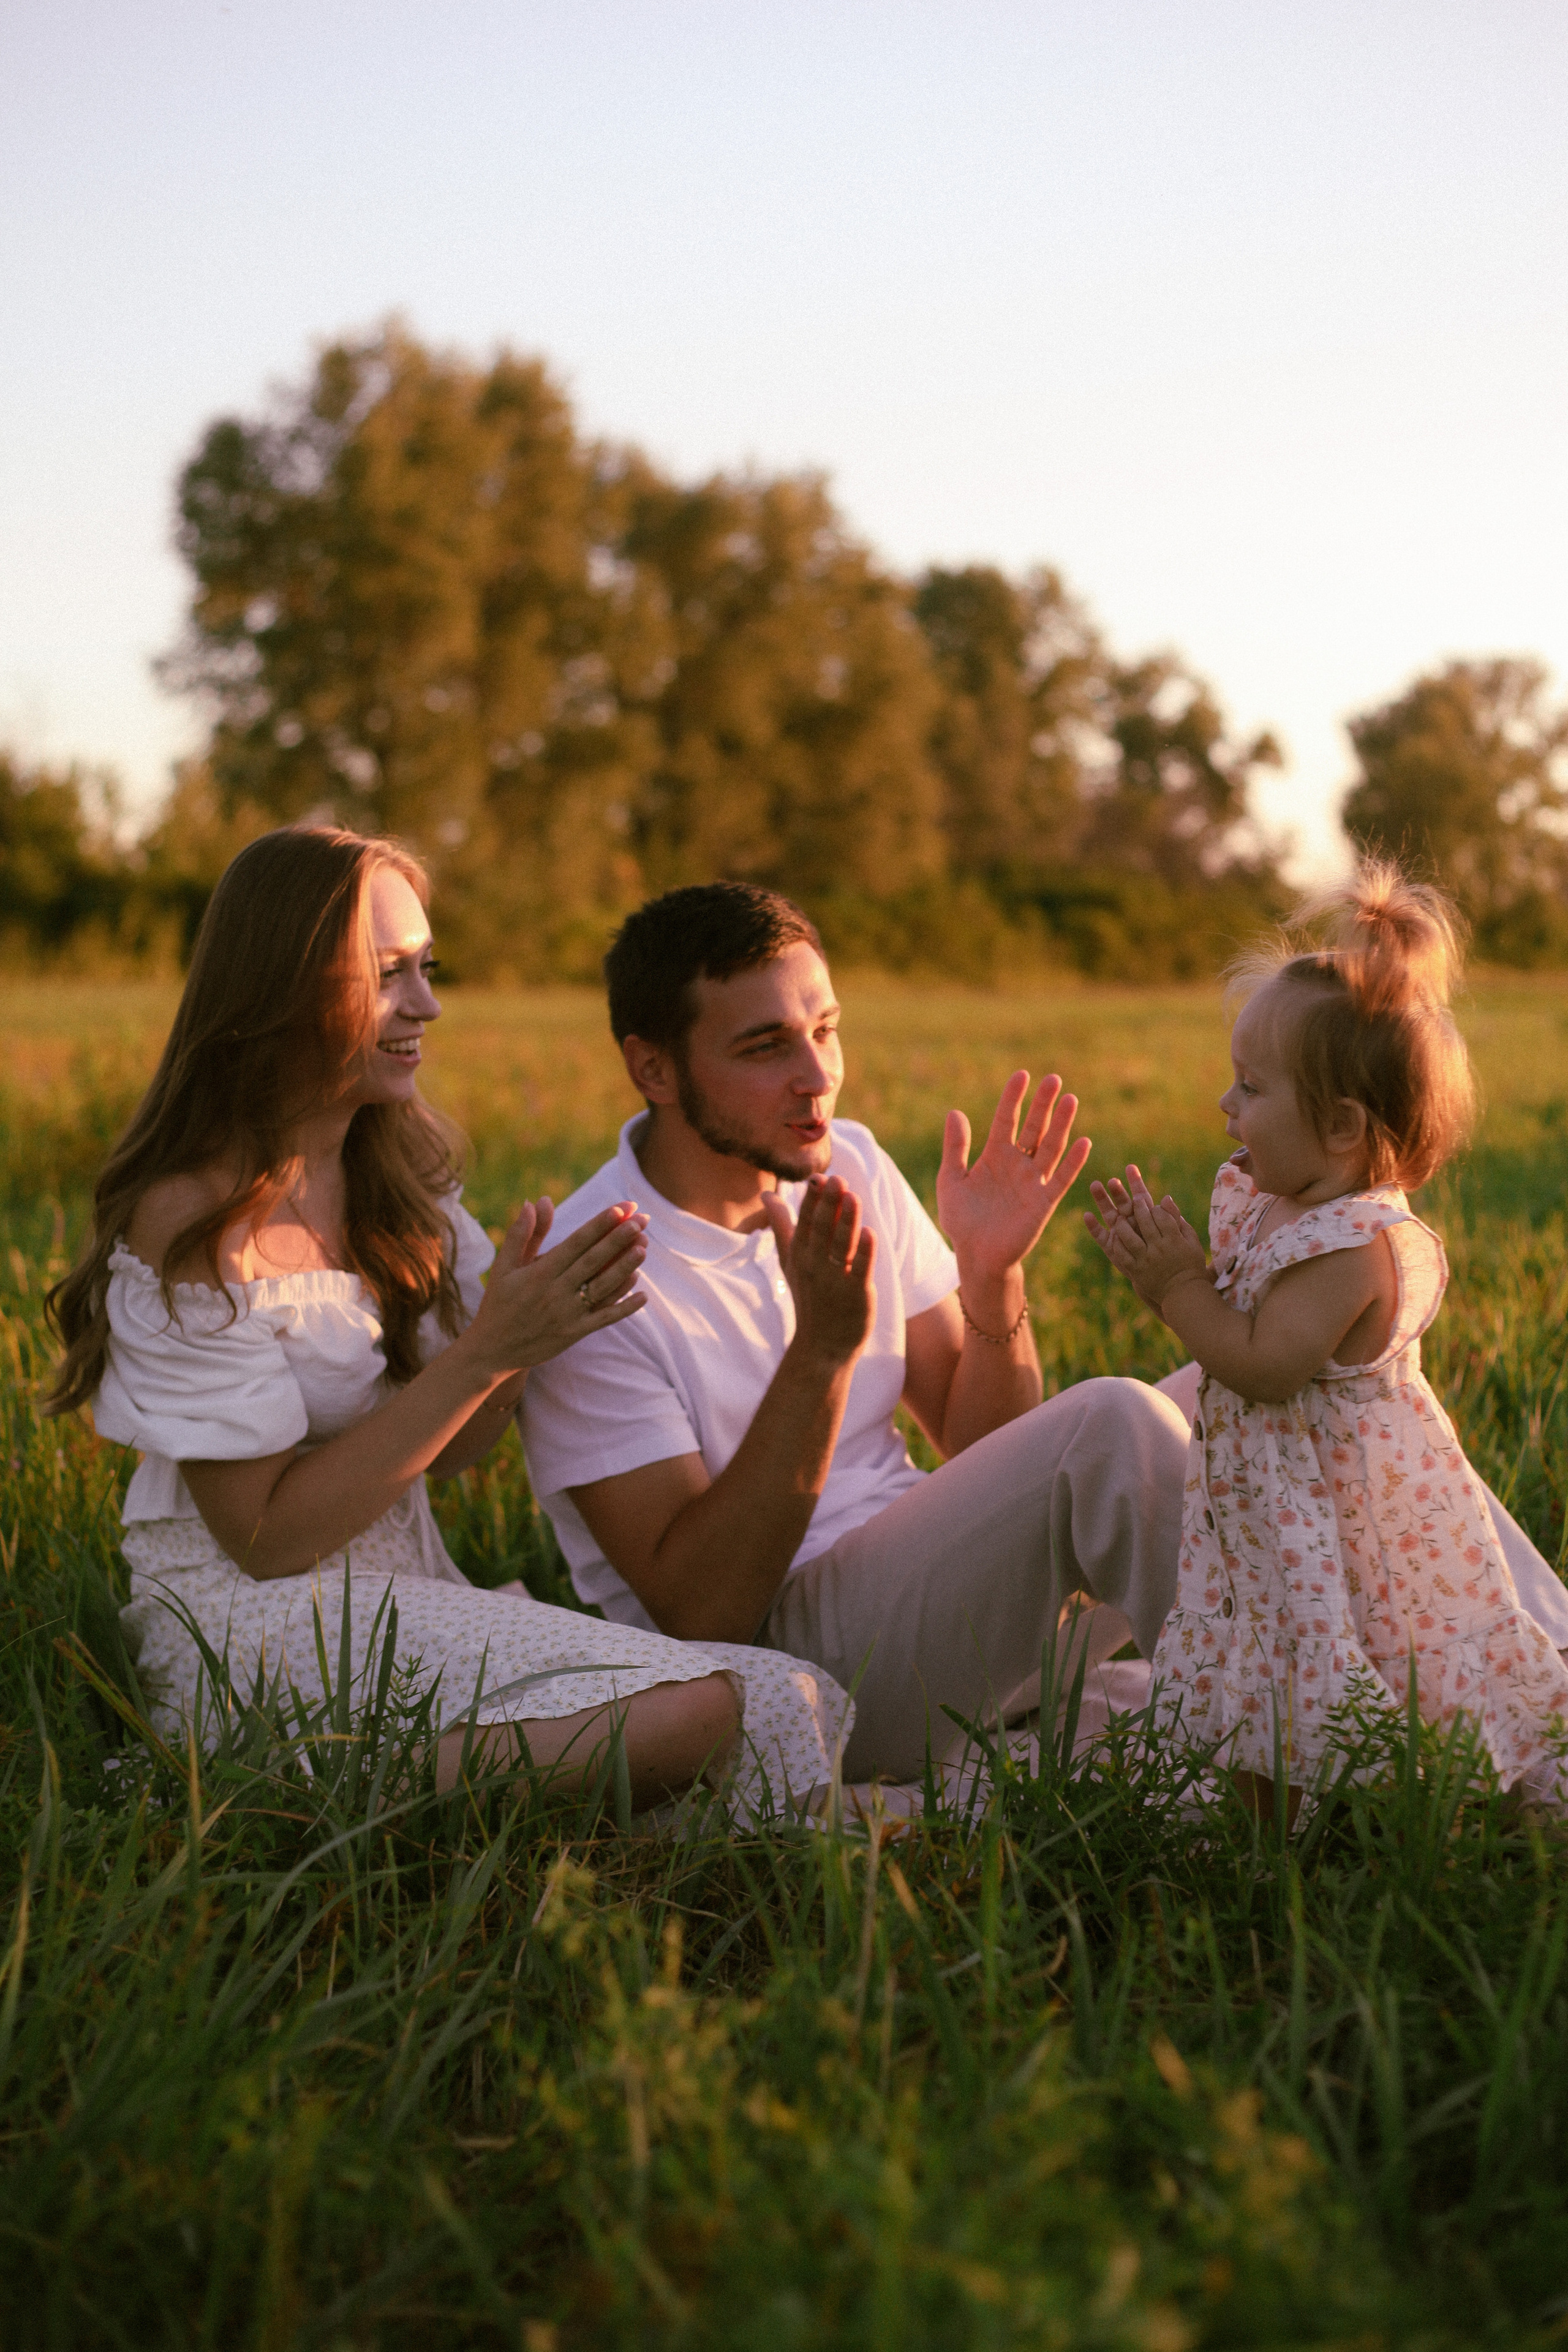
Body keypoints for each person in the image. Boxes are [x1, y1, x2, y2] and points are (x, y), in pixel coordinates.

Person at [45, 829, 851, 1818]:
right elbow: (263, 1539)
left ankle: (445, 1802)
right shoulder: (194, 1218)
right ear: (283, 985)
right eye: (387, 974)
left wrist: (523, 1344)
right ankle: (264, 1786)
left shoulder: (404, 1178)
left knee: (781, 1697)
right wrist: (486, 1353)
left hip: (407, 1595)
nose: (425, 1004)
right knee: (721, 1710)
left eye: (426, 968)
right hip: (252, 1622)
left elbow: (460, 1450)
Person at [518, 883, 1196, 1786]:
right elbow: (703, 1613)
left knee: (1234, 1387)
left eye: (826, 1030)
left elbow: (986, 1451)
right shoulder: (591, 1271)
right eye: (766, 1046)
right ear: (656, 1070)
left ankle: (1369, 1705)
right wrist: (823, 1353)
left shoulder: (854, 1164)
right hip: (799, 1679)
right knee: (1116, 1425)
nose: (818, 1076)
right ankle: (1284, 1748)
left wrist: (991, 1276)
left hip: (944, 1621)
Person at [1086, 863, 1568, 1819]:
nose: (1226, 1105)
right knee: (1265, 1672)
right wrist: (1179, 1273)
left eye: (1251, 1087)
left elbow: (1266, 1367)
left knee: (1377, 1672)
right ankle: (1264, 1844)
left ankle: (1457, 1819)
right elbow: (1243, 1315)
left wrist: (1177, 1287)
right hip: (1280, 1516)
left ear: (1343, 1126)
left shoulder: (1352, 1246)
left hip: (1348, 1527)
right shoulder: (1278, 1202)